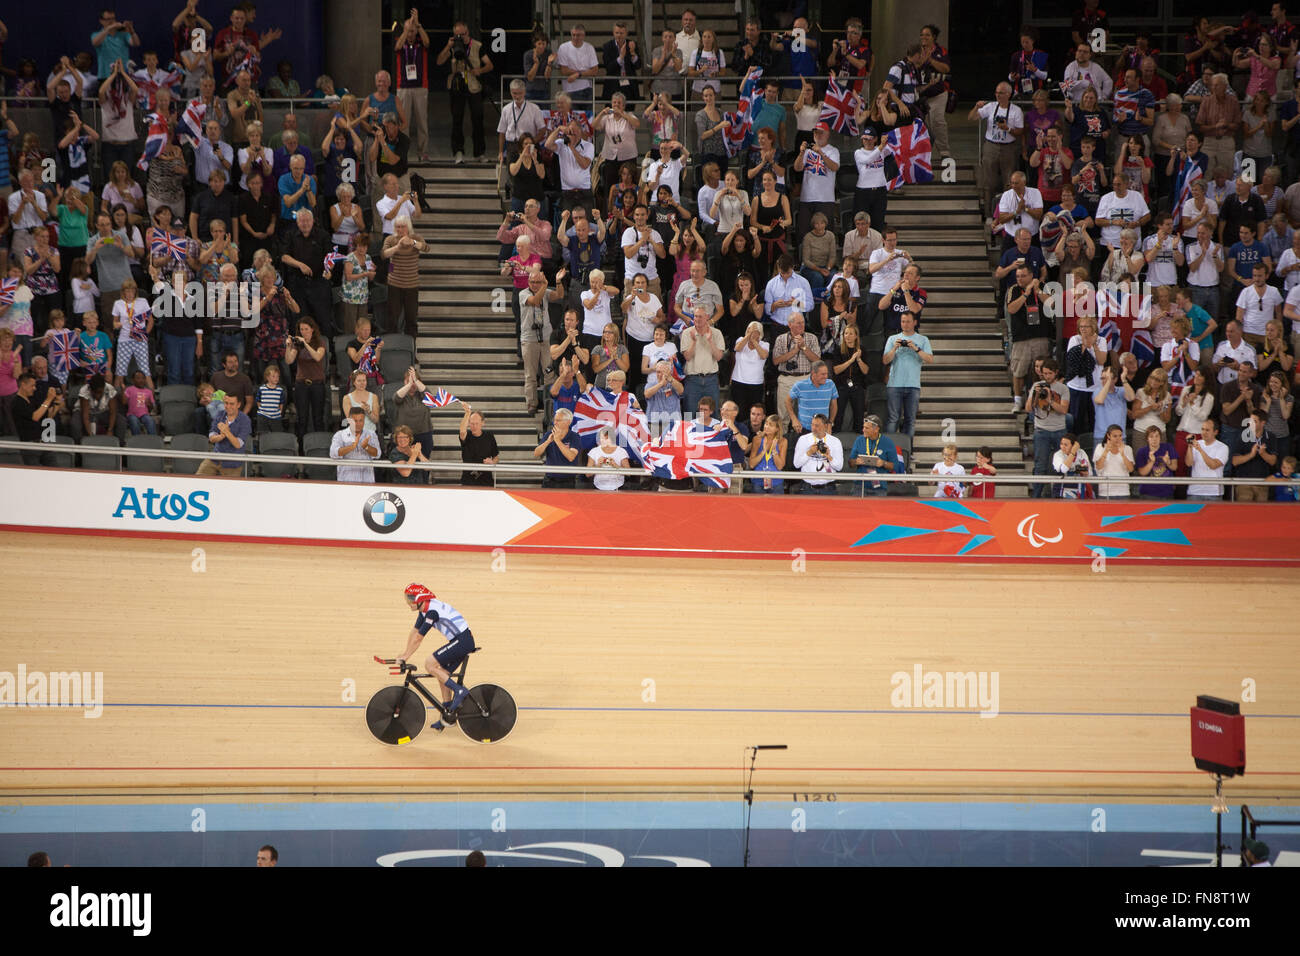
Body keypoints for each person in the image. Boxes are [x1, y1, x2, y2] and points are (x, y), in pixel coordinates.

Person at [395, 584, 477, 731]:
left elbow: (419, 638)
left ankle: (459, 691)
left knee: (429, 664)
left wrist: (406, 656)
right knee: (442, 675)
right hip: (459, 641)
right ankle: (447, 715)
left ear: (420, 599)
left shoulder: (432, 612)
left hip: (463, 641)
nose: (408, 602)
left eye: (411, 599)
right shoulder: (423, 611)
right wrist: (404, 653)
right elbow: (414, 632)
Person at [437, 22, 493, 164]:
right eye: (458, 35)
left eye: (463, 34)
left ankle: (479, 153)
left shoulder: (477, 46)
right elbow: (439, 61)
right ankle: (458, 151)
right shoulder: (453, 46)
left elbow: (489, 65)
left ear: (468, 32)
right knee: (457, 120)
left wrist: (479, 70)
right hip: (457, 85)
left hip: (474, 86)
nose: (461, 37)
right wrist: (449, 46)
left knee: (478, 119)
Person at [971, 84, 1024, 221]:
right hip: (991, 146)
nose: (998, 95)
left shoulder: (1016, 111)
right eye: (996, 92)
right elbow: (972, 118)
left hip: (1008, 147)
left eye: (1001, 93)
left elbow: (1020, 131)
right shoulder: (990, 106)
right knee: (989, 181)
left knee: (1009, 182)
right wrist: (977, 107)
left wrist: (1008, 128)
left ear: (1008, 94)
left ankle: (1007, 214)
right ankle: (989, 214)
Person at [882, 311, 932, 439]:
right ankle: (890, 451)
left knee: (910, 420)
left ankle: (908, 452)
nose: (905, 324)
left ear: (915, 322)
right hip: (894, 384)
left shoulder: (923, 339)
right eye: (903, 321)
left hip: (913, 385)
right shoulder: (893, 339)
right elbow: (885, 360)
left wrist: (915, 348)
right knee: (893, 419)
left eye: (908, 321)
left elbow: (930, 359)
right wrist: (894, 348)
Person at [197, 392, 250, 476]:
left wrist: (226, 432)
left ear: (238, 404)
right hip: (215, 457)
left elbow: (238, 444)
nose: (228, 407)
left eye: (232, 404)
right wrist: (221, 436)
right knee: (198, 479)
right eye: (226, 403)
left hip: (232, 463)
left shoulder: (245, 420)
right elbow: (211, 437)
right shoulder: (220, 414)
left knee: (230, 488)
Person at [786, 361, 839, 437]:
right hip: (803, 430)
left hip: (823, 430)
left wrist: (830, 423)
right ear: (814, 374)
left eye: (827, 373)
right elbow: (787, 401)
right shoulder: (800, 385)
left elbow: (834, 406)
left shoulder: (831, 384)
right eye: (823, 374)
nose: (826, 376)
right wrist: (794, 419)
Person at [792, 413, 842, 494]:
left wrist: (829, 457)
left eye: (817, 425)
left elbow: (839, 467)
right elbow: (796, 464)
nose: (813, 428)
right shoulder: (803, 439)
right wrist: (809, 452)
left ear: (825, 426)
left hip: (828, 488)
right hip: (807, 487)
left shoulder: (835, 441)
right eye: (812, 425)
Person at [534, 407, 580, 487]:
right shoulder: (549, 434)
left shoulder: (574, 436)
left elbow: (571, 457)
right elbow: (536, 454)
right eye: (554, 420)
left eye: (558, 420)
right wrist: (548, 441)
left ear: (568, 422)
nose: (554, 423)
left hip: (567, 480)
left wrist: (557, 441)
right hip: (549, 479)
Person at [1185, 419, 1228, 500]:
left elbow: (1213, 465)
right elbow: (1188, 463)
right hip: (1194, 492)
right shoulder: (1196, 443)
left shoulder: (1223, 447)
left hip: (1214, 493)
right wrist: (1190, 447)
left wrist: (1200, 450)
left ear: (1215, 432)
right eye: (1202, 429)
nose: (1204, 432)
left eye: (1207, 430)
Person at [459, 403, 500, 487]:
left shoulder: (489, 436)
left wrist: (492, 462)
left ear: (482, 423)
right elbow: (462, 432)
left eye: (476, 423)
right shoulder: (467, 436)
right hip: (468, 480)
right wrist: (467, 413)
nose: (474, 426)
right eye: (472, 423)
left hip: (486, 480)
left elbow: (496, 457)